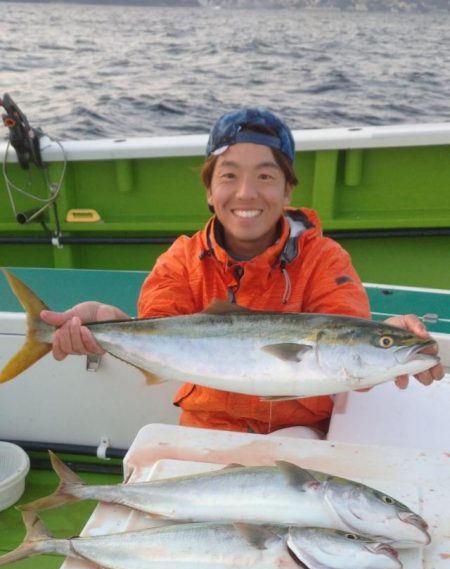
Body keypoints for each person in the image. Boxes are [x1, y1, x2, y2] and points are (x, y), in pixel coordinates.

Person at [41, 107, 443, 437]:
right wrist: (110, 324)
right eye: (229, 176)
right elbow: (159, 330)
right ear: (209, 192)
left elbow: (349, 339)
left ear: (288, 191)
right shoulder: (181, 260)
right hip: (206, 426)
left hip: (300, 428)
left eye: (266, 176)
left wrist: (390, 341)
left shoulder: (325, 260)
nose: (246, 193)